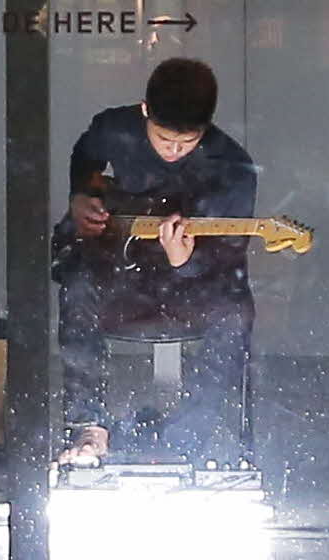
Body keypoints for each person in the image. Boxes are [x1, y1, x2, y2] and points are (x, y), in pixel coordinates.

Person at [53, 56, 261, 482]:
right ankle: (89, 427)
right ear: (144, 110)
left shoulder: (232, 167)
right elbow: (86, 154)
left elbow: (227, 262)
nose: (172, 151)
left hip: (189, 280)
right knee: (76, 287)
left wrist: (185, 261)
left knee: (235, 314)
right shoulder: (116, 128)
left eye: (186, 143)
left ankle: (187, 440)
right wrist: (82, 195)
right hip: (122, 271)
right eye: (164, 139)